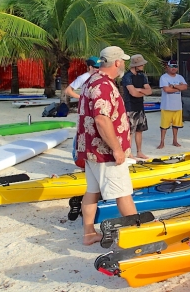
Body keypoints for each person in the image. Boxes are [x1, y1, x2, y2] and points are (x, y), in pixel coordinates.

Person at [75, 46, 136, 245]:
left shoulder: (91, 80)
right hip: (104, 152)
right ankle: (136, 238)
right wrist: (117, 149)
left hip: (91, 150)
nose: (124, 65)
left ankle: (89, 233)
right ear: (117, 62)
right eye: (123, 61)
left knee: (92, 191)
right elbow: (102, 120)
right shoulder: (104, 86)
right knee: (123, 193)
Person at [121, 54, 152, 159]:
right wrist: (141, 92)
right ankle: (129, 153)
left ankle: (139, 152)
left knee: (140, 130)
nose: (143, 65)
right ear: (135, 65)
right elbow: (133, 93)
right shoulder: (127, 77)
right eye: (141, 64)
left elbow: (149, 91)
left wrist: (139, 90)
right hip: (130, 107)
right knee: (130, 132)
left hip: (140, 107)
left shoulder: (142, 76)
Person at [157, 60, 187, 149]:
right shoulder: (164, 77)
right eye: (172, 66)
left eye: (175, 66)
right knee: (164, 126)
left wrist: (173, 86)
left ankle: (175, 140)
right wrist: (179, 87)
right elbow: (166, 90)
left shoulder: (180, 77)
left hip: (178, 106)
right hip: (167, 106)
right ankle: (162, 142)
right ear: (168, 67)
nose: (174, 68)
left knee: (176, 125)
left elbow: (185, 87)